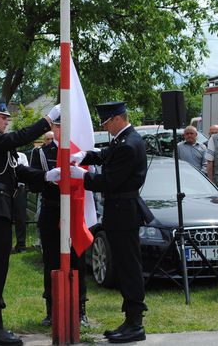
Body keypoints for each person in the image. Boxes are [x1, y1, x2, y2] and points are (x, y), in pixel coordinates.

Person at [0, 99, 60, 346]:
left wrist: (46, 176)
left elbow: (17, 172)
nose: (6, 120)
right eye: (3, 116)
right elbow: (16, 139)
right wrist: (47, 121)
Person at [70, 102, 151, 343]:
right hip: (120, 211)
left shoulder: (129, 144)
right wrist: (86, 154)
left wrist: (84, 176)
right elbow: (106, 155)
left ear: (117, 119)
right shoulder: (123, 140)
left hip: (124, 211)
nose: (105, 128)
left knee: (128, 267)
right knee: (125, 265)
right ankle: (130, 320)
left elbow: (109, 181)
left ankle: (135, 322)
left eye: (106, 123)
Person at [30, 118, 88, 328]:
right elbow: (34, 184)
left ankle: (80, 308)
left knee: (77, 259)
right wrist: (46, 177)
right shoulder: (41, 153)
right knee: (51, 260)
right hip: (51, 209)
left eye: (65, 125)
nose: (61, 129)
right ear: (52, 128)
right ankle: (51, 309)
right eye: (57, 125)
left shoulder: (78, 150)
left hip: (73, 209)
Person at [12, 151, 29, 253]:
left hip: (19, 188)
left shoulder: (22, 156)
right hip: (7, 188)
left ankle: (21, 244)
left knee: (20, 217)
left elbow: (25, 171)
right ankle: (5, 245)